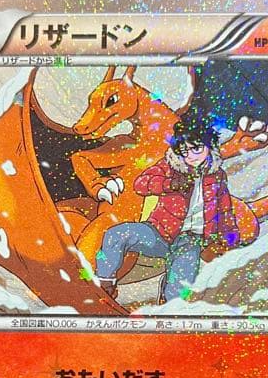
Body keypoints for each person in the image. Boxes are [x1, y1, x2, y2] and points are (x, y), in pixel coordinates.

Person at [95, 113, 247, 303]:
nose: (190, 156)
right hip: (159, 232)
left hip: (191, 240)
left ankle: (168, 307)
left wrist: (231, 240)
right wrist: (169, 184)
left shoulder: (217, 176)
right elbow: (141, 184)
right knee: (116, 234)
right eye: (184, 150)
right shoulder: (170, 166)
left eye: (196, 149)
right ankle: (105, 285)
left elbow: (224, 211)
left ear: (210, 147)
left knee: (179, 288)